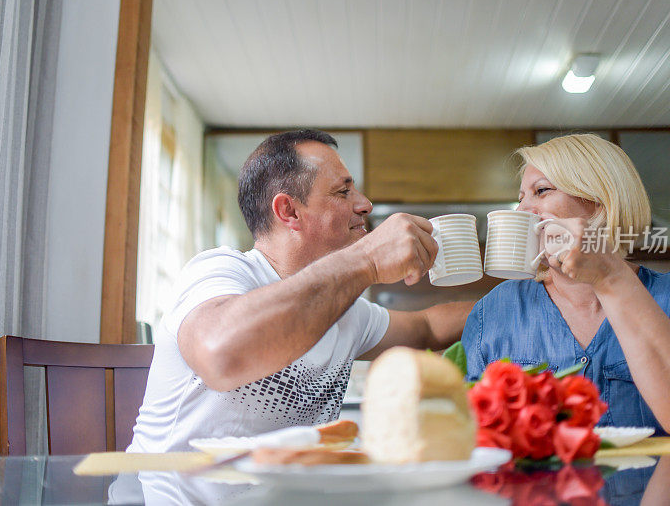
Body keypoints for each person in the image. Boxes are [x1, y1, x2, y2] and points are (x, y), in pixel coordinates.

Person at [127, 129, 473, 453]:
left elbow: (427, 327)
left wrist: (518, 299)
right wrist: (366, 259)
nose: (365, 204)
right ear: (289, 210)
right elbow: (220, 354)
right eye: (343, 191)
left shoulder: (343, 308)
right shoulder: (221, 270)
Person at [461, 133, 670, 438]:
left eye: (541, 191)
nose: (522, 210)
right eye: (522, 196)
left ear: (599, 203)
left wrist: (611, 277)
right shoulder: (493, 310)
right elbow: (471, 435)